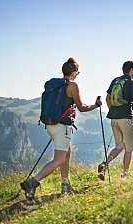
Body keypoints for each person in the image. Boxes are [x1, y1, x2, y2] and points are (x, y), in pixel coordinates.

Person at [20, 58, 102, 199]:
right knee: (58, 159)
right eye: (78, 72)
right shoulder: (72, 86)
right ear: (74, 72)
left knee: (67, 153)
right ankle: (32, 182)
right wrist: (96, 105)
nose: (77, 75)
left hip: (50, 126)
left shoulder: (54, 85)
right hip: (62, 127)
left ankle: (65, 185)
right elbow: (82, 108)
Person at [98, 60, 133, 179]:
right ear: (131, 70)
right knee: (129, 148)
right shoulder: (132, 83)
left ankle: (104, 165)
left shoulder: (115, 81)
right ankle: (125, 175)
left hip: (114, 119)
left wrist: (113, 111)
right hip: (126, 118)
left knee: (119, 146)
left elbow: (107, 98)